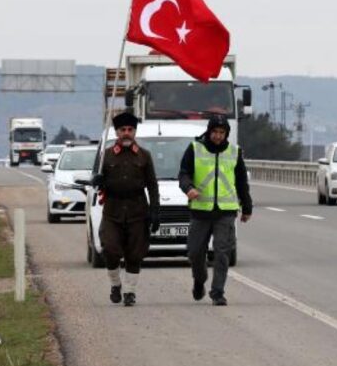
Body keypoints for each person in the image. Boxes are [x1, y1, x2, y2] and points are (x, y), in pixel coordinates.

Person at [178, 114, 253, 306]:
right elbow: (184, 173)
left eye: (222, 132)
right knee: (195, 253)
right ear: (209, 131)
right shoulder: (195, 148)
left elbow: (242, 182)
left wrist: (247, 207)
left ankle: (217, 292)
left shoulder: (234, 152)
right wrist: (189, 188)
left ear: (226, 134)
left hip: (226, 212)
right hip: (200, 211)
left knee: (222, 253)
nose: (218, 136)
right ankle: (199, 280)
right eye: (215, 132)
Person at [91, 112, 160, 306]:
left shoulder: (144, 156)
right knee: (110, 250)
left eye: (130, 130)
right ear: (116, 132)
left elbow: (152, 185)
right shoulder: (107, 155)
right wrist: (97, 180)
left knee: (135, 254)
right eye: (123, 130)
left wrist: (155, 212)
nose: (127, 133)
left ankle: (130, 292)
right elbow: (96, 182)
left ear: (135, 131)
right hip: (113, 211)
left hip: (138, 211)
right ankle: (115, 284)